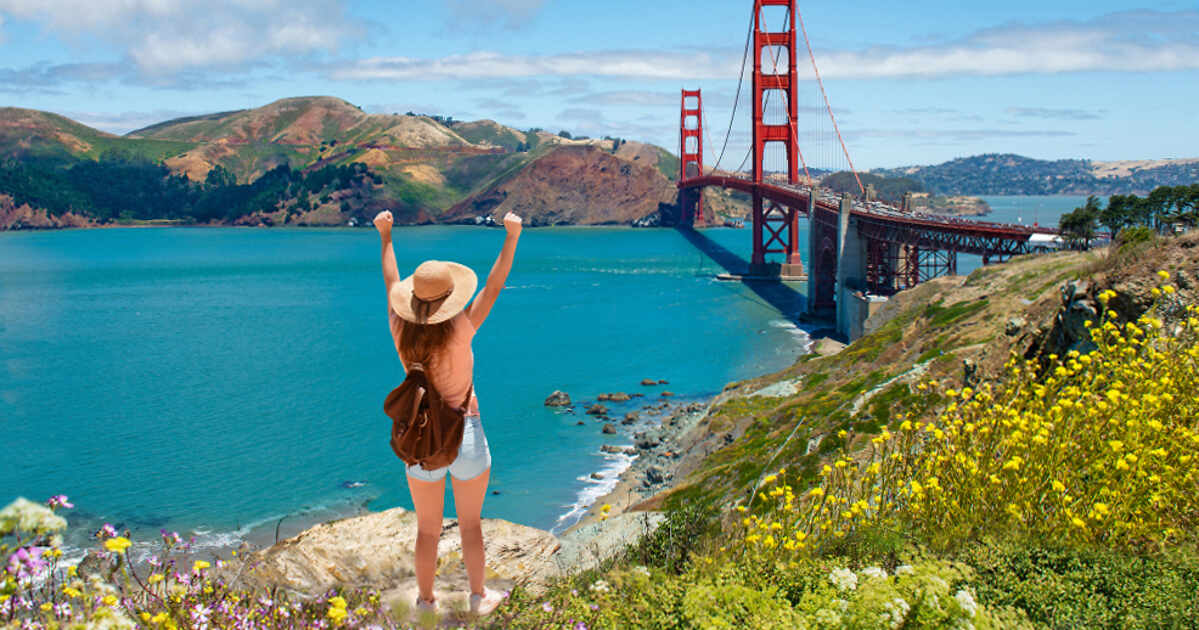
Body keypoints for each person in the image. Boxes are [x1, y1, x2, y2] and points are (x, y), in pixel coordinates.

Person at [373, 208, 522, 616]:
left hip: (419, 437)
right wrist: (511, 236)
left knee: (427, 529)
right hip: (466, 433)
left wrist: (386, 236)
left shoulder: (399, 328)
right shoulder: (460, 329)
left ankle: (425, 602)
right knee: (471, 525)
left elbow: (390, 280)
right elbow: (493, 285)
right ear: (449, 299)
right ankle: (479, 597)